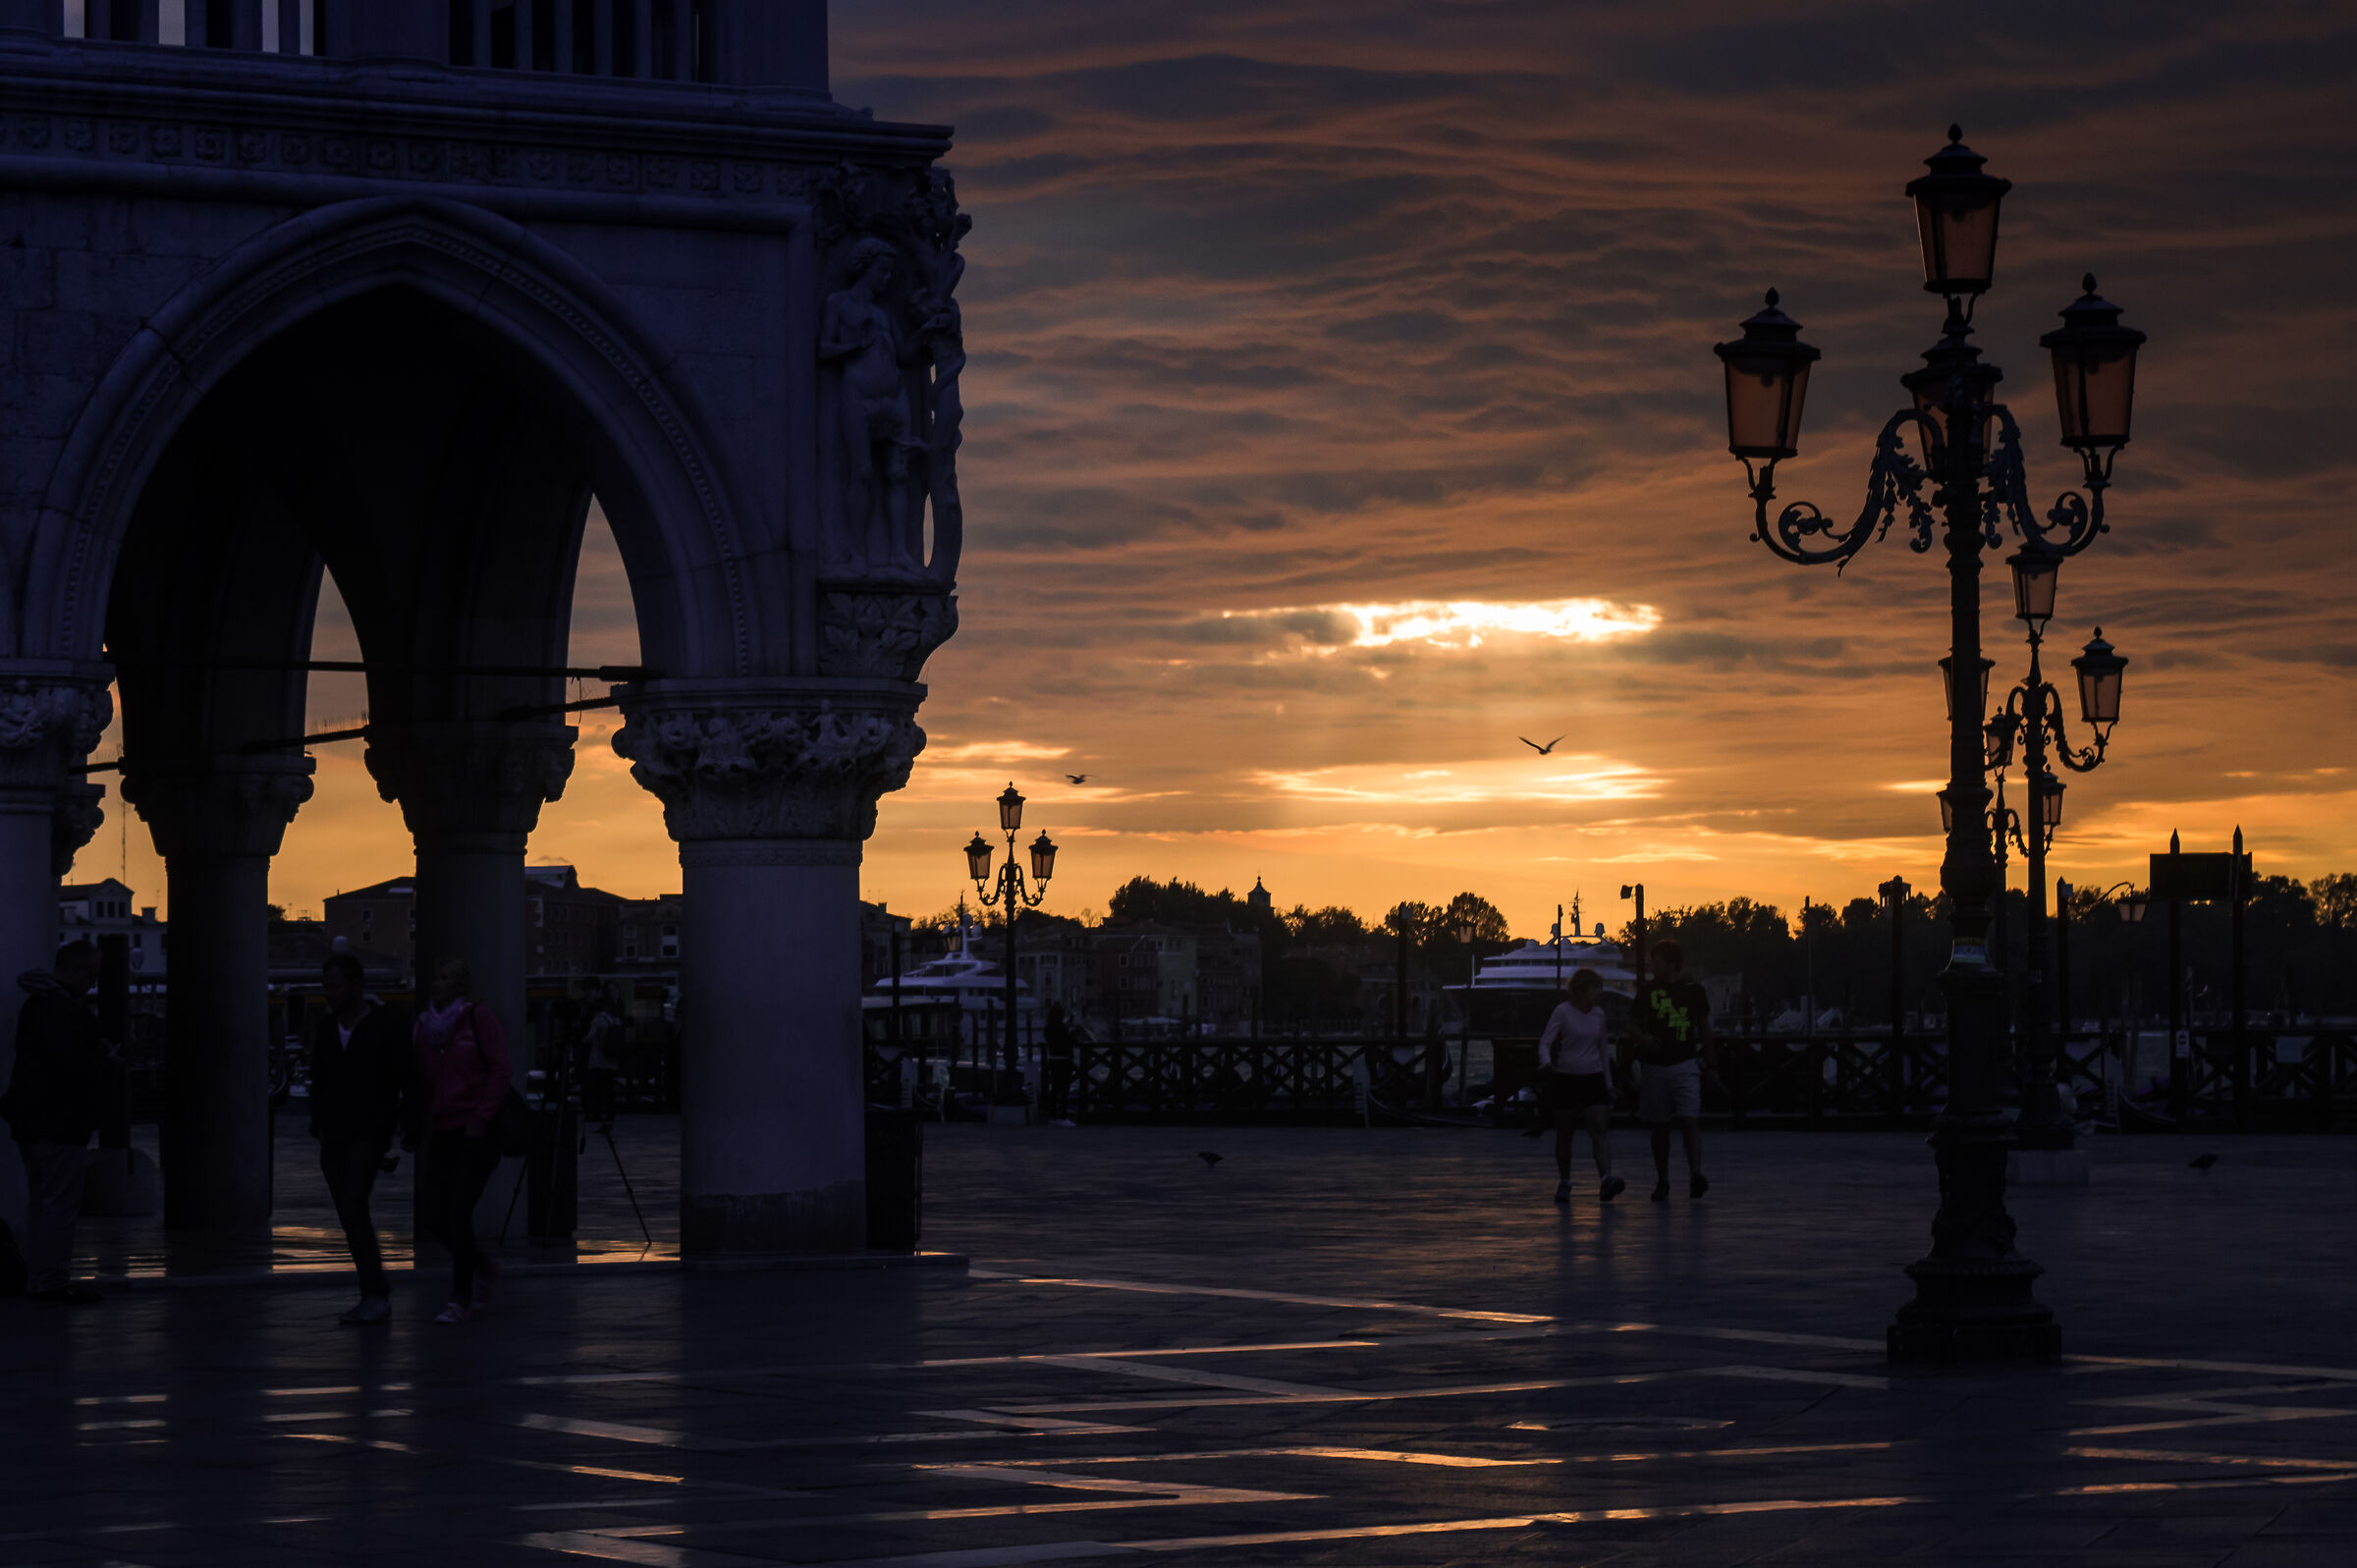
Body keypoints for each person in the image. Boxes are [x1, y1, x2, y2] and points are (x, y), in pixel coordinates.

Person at [308, 952, 418, 1325]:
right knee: (349, 1214)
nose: (329, 994)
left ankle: (375, 1293)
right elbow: (318, 1080)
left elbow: (407, 1076)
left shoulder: (386, 1025)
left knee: (354, 1208)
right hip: (334, 1136)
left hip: (369, 1133)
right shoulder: (326, 1030)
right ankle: (373, 1292)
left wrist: (406, 1126)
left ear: (356, 986)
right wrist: (318, 1125)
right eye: (326, 987)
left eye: (335, 986)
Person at [1, 943, 109, 1305]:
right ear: (77, 972)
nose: (93, 984)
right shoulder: (64, 1011)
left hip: (31, 1120)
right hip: (60, 1121)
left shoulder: (37, 1005)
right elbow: (71, 1067)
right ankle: (49, 1280)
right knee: (59, 1205)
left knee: (42, 1202)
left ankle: (38, 1275)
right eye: (92, 975)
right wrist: (104, 1057)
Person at [413, 957, 510, 1324]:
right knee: (433, 1215)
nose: (436, 983)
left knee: (457, 1212)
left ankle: (460, 1298)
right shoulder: (425, 1029)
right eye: (435, 977)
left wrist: (481, 1116)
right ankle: (484, 1266)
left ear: (460, 985)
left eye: (444, 977)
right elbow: (422, 1078)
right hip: (443, 1129)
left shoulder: (478, 1019)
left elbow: (501, 1069)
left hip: (475, 1131)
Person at [1628, 939, 1713, 1202]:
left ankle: (1695, 1174)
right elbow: (1631, 1026)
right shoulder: (1646, 991)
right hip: (1655, 1066)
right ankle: (1663, 1179)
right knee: (1660, 1126)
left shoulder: (1694, 991)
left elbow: (1704, 1028)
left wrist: (1711, 1062)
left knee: (1690, 1120)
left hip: (1685, 1063)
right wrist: (1645, 1040)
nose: (1652, 966)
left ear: (1671, 964)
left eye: (1656, 962)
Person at [1532, 969, 1624, 1206]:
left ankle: (1606, 1179)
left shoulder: (1599, 1015)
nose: (1599, 993)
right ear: (1582, 990)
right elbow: (1545, 1042)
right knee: (1565, 1133)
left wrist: (1608, 1084)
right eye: (1596, 988)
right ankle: (1565, 1181)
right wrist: (1547, 1063)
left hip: (1593, 1076)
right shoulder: (1562, 1012)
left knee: (1599, 1127)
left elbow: (1604, 1052)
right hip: (1566, 1076)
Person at [580, 988, 621, 1130]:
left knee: (596, 1088)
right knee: (609, 1089)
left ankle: (596, 1113)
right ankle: (610, 1113)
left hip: (598, 1060)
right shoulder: (614, 1019)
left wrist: (582, 1040)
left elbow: (590, 1037)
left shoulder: (598, 1020)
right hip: (611, 1059)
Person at [1041, 1002, 1078, 1127]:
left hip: (1053, 1060)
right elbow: (1072, 1040)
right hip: (1064, 1061)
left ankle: (1052, 1117)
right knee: (1064, 1090)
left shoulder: (1048, 1028)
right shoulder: (1062, 1028)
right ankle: (1062, 1117)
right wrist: (1073, 1031)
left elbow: (1056, 1035)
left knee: (1055, 1089)